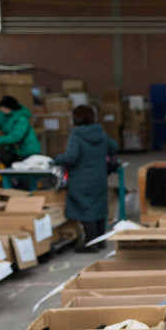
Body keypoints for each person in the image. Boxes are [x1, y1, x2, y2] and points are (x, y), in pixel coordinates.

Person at [54, 105, 119, 253]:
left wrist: (57, 159)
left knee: (86, 210)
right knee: (99, 208)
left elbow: (71, 157)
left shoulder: (76, 135)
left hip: (81, 179)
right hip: (99, 177)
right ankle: (100, 241)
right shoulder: (100, 132)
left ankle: (91, 244)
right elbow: (114, 146)